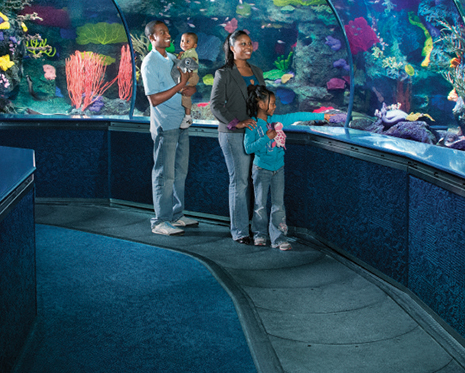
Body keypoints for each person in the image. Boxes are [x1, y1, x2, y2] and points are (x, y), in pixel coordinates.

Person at [243, 84, 327, 250]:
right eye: (272, 103)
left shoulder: (276, 121)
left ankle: (279, 237)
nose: (275, 106)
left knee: (278, 205)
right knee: (260, 204)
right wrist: (267, 138)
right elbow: (248, 148)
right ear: (261, 104)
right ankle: (259, 234)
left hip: (278, 168)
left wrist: (323, 116)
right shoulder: (252, 125)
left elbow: (296, 115)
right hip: (261, 169)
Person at [140, 20, 198, 236]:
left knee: (179, 172)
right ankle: (159, 221)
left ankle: (176, 214)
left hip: (181, 121)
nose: (167, 35)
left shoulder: (173, 58)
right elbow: (154, 99)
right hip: (165, 124)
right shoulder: (149, 63)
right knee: (164, 174)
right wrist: (181, 86)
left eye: (167, 31)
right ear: (151, 38)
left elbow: (184, 84)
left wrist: (188, 89)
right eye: (161, 32)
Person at [209, 29, 264, 244]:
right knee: (239, 182)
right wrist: (236, 123)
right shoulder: (223, 73)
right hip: (233, 135)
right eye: (242, 44)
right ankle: (240, 231)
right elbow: (215, 105)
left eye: (249, 43)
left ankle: (255, 227)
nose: (248, 47)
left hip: (256, 134)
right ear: (232, 48)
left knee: (255, 181)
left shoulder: (257, 72)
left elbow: (263, 102)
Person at [176, 31, 201, 128]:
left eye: (187, 41)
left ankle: (187, 117)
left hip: (191, 76)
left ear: (194, 45)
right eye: (182, 41)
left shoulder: (192, 52)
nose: (183, 43)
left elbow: (192, 61)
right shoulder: (185, 53)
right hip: (186, 75)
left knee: (185, 93)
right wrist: (179, 57)